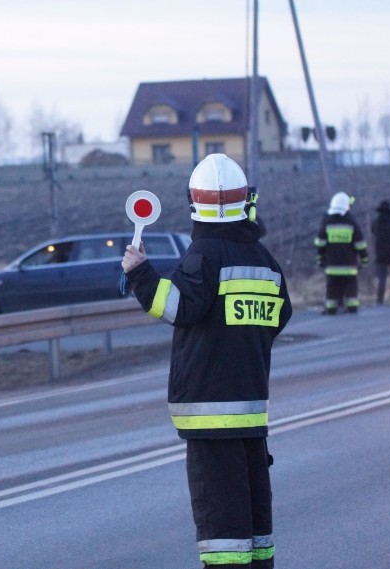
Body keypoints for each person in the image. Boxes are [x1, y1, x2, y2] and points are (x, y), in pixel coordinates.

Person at [122, 153, 292, 568]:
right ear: (244, 200)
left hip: (209, 417)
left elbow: (179, 308)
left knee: (222, 529)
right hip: (251, 412)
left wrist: (141, 274)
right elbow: (281, 315)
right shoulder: (264, 260)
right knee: (255, 525)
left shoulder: (203, 253)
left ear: (194, 202)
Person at [313, 191, 369, 314]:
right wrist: (364, 259)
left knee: (332, 287)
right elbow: (359, 243)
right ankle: (352, 306)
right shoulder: (351, 223)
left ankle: (331, 308)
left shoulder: (327, 223)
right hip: (349, 265)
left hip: (332, 265)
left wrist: (320, 258)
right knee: (351, 286)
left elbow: (320, 243)